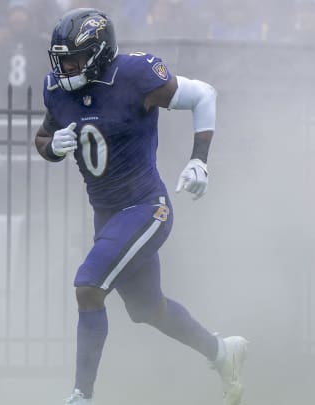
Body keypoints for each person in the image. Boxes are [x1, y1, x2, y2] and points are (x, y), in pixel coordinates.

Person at [33, 8, 249, 405]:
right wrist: (52, 149)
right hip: (106, 213)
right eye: (61, 59)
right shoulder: (59, 89)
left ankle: (82, 395)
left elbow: (204, 95)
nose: (66, 67)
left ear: (98, 54)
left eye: (74, 59)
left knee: (88, 286)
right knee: (149, 309)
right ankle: (222, 353)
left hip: (146, 206)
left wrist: (199, 159)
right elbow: (43, 136)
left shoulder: (135, 76)